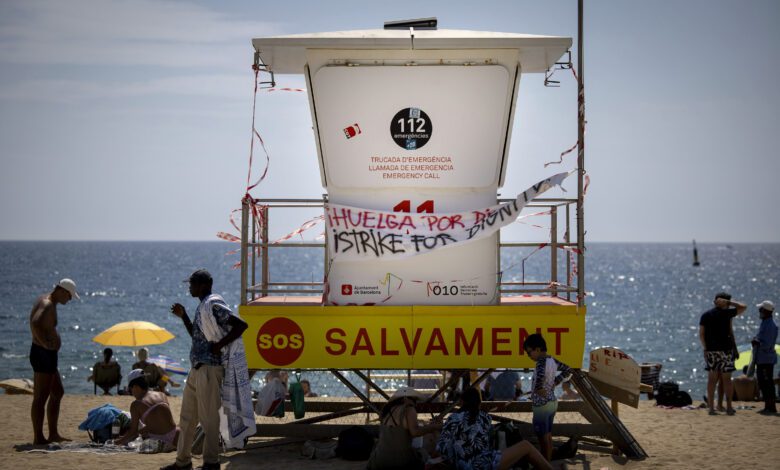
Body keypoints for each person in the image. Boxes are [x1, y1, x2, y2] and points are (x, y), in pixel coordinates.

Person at [162, 269, 249, 470]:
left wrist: (219, 345)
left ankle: (211, 462)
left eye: (192, 284)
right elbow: (196, 335)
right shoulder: (204, 306)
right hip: (197, 369)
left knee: (210, 419)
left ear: (202, 285)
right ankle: (182, 462)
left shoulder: (213, 304)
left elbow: (241, 325)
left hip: (210, 370)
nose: (189, 287)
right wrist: (183, 316)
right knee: (187, 418)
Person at [437, 387, 551, 470]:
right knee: (526, 446)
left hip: (462, 466)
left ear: (462, 402)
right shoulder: (484, 417)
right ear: (479, 403)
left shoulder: (452, 419)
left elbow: (443, 448)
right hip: (485, 464)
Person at [28, 278, 78, 445]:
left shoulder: (48, 302)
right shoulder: (47, 304)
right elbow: (35, 323)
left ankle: (53, 434)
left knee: (57, 392)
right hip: (43, 354)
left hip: (46, 354)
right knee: (41, 397)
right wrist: (44, 344)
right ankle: (38, 437)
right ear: (62, 291)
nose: (69, 299)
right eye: (69, 296)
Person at [523, 333, 572, 462]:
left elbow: (539, 382)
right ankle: (548, 462)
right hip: (552, 403)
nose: (529, 356)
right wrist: (556, 381)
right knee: (548, 435)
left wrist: (538, 389)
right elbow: (568, 369)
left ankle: (545, 464)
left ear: (538, 349)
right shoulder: (552, 360)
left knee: (542, 438)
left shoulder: (540, 363)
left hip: (541, 406)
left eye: (529, 352)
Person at [368, 386, 441, 470]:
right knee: (423, 454)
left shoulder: (386, 411)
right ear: (406, 399)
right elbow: (415, 432)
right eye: (414, 400)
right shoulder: (409, 409)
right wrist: (434, 427)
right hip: (400, 460)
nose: (415, 404)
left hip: (379, 460)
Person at [699, 292, 747, 415]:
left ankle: (711, 408)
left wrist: (705, 348)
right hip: (726, 351)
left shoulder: (706, 315)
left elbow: (701, 334)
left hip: (712, 351)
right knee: (727, 380)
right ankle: (729, 407)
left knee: (712, 379)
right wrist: (730, 303)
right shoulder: (727, 313)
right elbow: (743, 307)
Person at [116, 369, 179, 451]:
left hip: (160, 441)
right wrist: (140, 432)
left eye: (130, 389)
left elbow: (133, 432)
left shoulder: (136, 404)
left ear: (135, 387)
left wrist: (117, 442)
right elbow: (159, 422)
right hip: (176, 435)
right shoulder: (161, 394)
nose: (131, 392)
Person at [752, 300, 777, 414]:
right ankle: (768, 406)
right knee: (763, 382)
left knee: (767, 383)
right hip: (763, 358)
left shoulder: (771, 325)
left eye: (761, 309)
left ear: (766, 311)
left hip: (766, 359)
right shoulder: (766, 323)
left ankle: (771, 407)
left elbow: (767, 344)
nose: (759, 311)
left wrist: (756, 342)